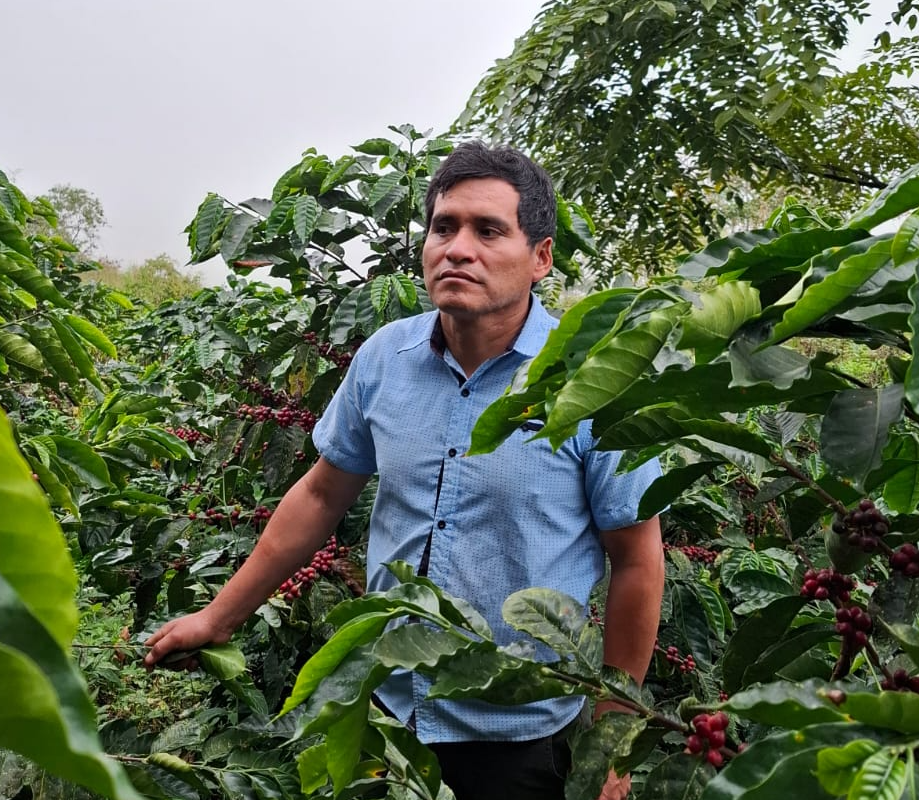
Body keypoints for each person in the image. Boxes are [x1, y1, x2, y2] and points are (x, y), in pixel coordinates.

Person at [146, 142, 665, 800]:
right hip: (389, 713)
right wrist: (219, 617)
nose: (457, 249)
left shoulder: (596, 379)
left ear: (540, 257)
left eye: (488, 230)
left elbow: (637, 559)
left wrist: (613, 736)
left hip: (519, 731)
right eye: (444, 227)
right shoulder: (385, 358)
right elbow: (321, 494)